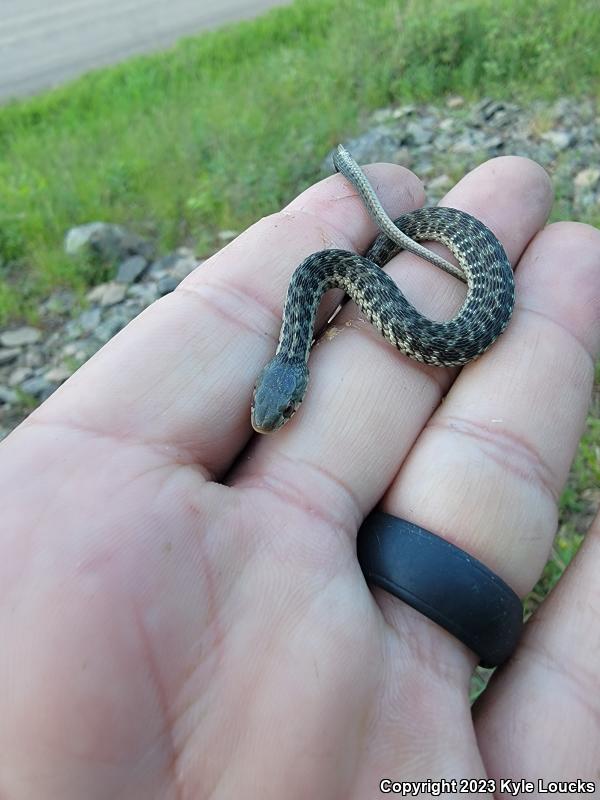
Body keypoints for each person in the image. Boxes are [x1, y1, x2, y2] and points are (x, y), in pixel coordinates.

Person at [0, 154, 599, 797]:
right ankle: (404, 229)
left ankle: (408, 225)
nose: (273, 419)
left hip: (425, 278)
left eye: (281, 411)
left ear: (296, 389)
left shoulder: (325, 297)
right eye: (275, 409)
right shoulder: (298, 323)